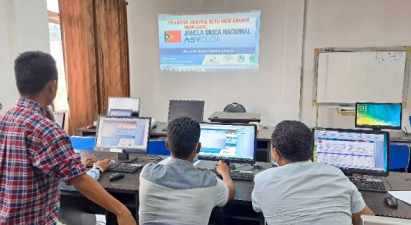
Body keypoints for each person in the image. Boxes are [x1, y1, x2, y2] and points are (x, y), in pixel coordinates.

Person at [0, 51, 136, 225]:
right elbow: (79, 180)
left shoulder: (4, 118)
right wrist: (121, 211)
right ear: (52, 86)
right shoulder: (46, 129)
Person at [252, 120, 374, 225]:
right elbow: (368, 220)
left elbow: (257, 207)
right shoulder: (337, 175)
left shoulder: (262, 180)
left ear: (276, 153)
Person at [139, 117, 235, 225]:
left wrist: (186, 171)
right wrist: (225, 173)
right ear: (198, 148)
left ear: (167, 145)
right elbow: (230, 192)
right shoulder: (210, 182)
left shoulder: (147, 173)